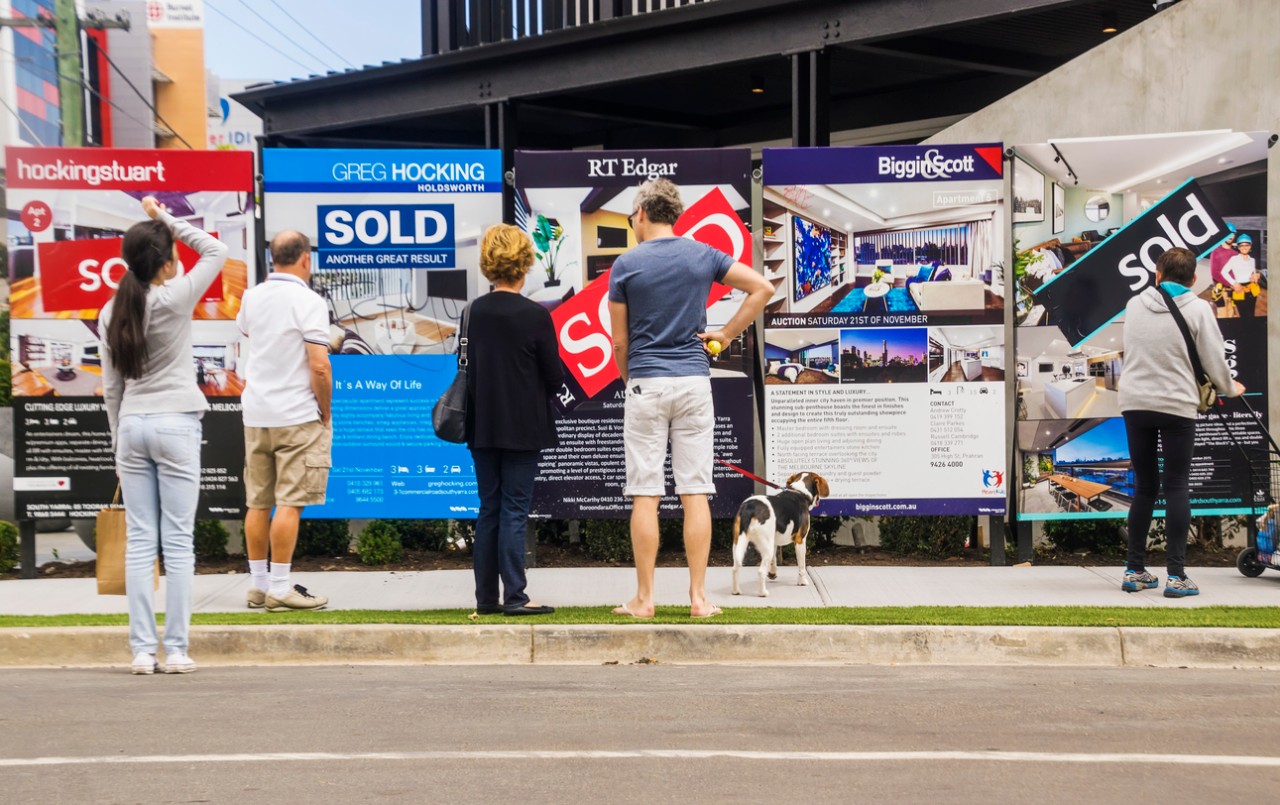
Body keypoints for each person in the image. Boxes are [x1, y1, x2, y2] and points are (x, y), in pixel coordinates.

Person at [608, 178, 773, 619]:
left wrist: (631, 380)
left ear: (642, 211)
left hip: (646, 381)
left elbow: (619, 343)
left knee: (645, 492)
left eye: (631, 215)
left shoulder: (625, 265)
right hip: (695, 383)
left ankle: (644, 600)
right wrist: (725, 334)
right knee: (695, 491)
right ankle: (699, 598)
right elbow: (762, 288)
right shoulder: (703, 254)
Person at [101, 196, 228, 675]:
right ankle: (174, 650)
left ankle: (140, 651)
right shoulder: (175, 298)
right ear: (166, 263)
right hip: (176, 422)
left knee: (140, 542)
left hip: (132, 424)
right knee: (177, 543)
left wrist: (118, 442)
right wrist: (165, 218)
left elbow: (112, 387)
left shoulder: (112, 311)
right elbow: (215, 251)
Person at [1118, 247, 1244, 598]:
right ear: (1193, 280)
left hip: (1135, 403)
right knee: (1176, 485)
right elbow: (1215, 359)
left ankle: (1134, 571)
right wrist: (1230, 388)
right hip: (1176, 404)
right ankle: (1176, 577)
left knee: (1145, 486)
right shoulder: (1199, 308)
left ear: (1157, 274)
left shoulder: (1134, 305)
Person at [465, 224, 563, 616]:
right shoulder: (535, 315)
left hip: (481, 426)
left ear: (489, 265)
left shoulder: (472, 312)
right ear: (524, 265)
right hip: (523, 427)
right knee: (514, 510)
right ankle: (517, 598)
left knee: (489, 507)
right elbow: (554, 378)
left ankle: (486, 599)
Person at [237, 232, 332, 612]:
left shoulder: (252, 296)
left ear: (272, 258)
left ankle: (258, 586)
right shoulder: (308, 301)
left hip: (257, 414)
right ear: (305, 260)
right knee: (290, 503)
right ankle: (279, 586)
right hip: (296, 415)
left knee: (258, 503)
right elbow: (319, 365)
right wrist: (325, 410)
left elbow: (249, 335)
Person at [1220, 233, 1260, 318]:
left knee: (1251, 313)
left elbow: (1253, 272)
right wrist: (1234, 283)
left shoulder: (1252, 260)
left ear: (1250, 246)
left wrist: (1256, 275)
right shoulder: (1234, 259)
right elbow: (1224, 272)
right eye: (1241, 245)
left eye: (1247, 245)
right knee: (1243, 314)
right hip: (1239, 289)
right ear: (1238, 247)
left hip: (1252, 289)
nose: (1244, 247)